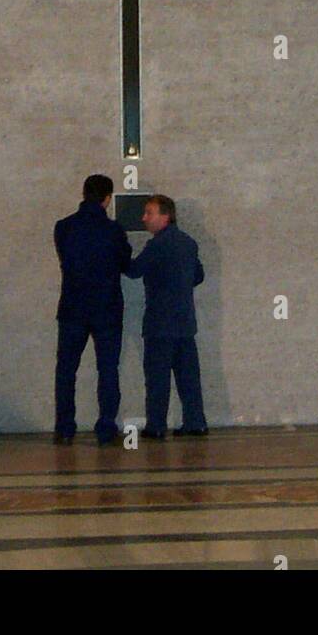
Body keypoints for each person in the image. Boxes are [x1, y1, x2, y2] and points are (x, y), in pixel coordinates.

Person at [53, 173, 132, 445]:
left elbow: (66, 259)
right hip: (107, 309)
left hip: (72, 308)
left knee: (66, 370)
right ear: (107, 199)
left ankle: (65, 428)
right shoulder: (114, 230)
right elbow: (125, 263)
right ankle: (106, 428)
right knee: (108, 369)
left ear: (84, 193)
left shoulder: (63, 227)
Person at [126, 194, 208, 439]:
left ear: (165, 216)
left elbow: (134, 270)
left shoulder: (157, 245)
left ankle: (157, 426)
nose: (144, 218)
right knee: (188, 378)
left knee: (157, 378)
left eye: (149, 213)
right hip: (185, 322)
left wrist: (119, 252)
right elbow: (199, 276)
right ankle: (195, 422)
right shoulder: (189, 243)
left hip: (159, 323)